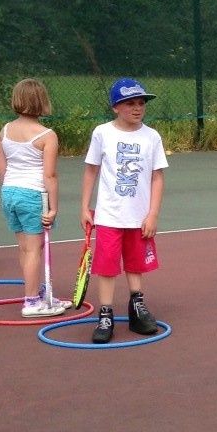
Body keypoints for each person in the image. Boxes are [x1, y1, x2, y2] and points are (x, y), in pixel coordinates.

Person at [81, 78, 168, 344]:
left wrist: (153, 213)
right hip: (109, 215)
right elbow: (91, 170)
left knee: (135, 263)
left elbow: (157, 177)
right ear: (115, 107)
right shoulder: (102, 133)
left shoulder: (151, 136)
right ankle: (105, 314)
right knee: (107, 266)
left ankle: (137, 308)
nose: (137, 108)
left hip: (138, 216)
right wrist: (84, 206)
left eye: (141, 103)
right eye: (130, 103)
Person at [0, 78, 67, 318]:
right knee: (34, 249)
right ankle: (31, 300)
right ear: (42, 102)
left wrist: (10, 191)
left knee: (25, 248)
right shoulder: (47, 135)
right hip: (33, 194)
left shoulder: (5, 130)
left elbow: (1, 169)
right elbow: (50, 175)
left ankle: (37, 293)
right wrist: (53, 208)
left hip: (9, 192)